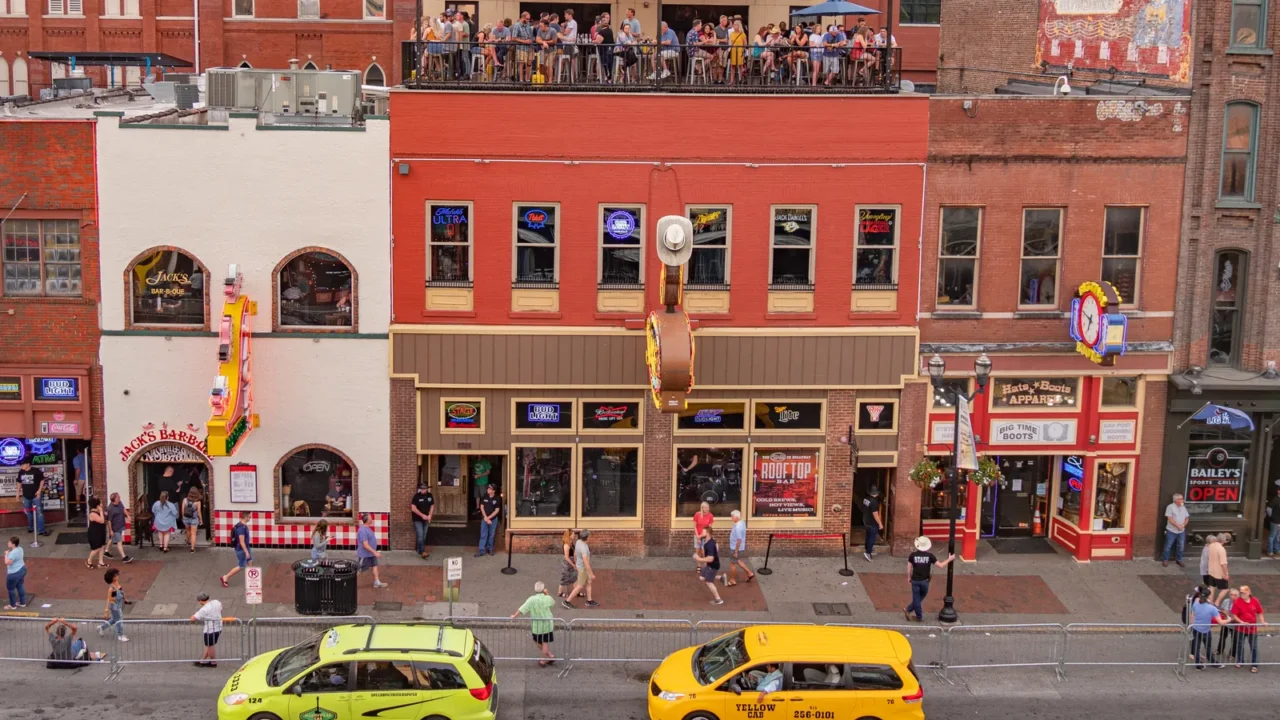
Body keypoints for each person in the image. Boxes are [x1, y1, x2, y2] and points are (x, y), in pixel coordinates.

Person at [903, 536, 955, 622]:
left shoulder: (913, 555)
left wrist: (909, 577)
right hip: (925, 581)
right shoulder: (930, 556)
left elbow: (909, 567)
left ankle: (908, 610)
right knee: (920, 597)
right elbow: (941, 565)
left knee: (917, 598)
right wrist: (949, 559)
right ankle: (918, 617)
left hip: (915, 580)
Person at [511, 580, 557, 666]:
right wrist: (547, 594)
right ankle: (549, 656)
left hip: (537, 626)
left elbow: (522, 608)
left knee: (537, 641)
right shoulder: (547, 598)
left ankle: (545, 659)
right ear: (543, 589)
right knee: (545, 642)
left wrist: (514, 615)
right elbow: (552, 603)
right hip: (547, 624)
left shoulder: (531, 599)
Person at [1189, 588, 1229, 670]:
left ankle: (1198, 664)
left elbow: (1193, 615)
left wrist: (1191, 625)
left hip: (1196, 629)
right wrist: (1229, 619)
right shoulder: (1212, 608)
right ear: (1208, 597)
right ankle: (1212, 661)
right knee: (1208, 647)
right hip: (1206, 630)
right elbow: (1221, 622)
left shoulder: (1195, 604)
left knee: (1196, 647)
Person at [1230, 585, 1267, 671]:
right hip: (1240, 629)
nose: (1242, 594)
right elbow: (1234, 615)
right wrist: (1241, 622)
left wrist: (1262, 621)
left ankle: (1255, 664)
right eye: (1241, 592)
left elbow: (1260, 612)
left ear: (1249, 592)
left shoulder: (1255, 601)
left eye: (1244, 593)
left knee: (1253, 647)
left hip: (1252, 629)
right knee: (1240, 645)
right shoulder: (1237, 602)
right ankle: (1240, 660)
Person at [563, 529, 597, 608]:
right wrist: (591, 574)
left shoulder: (578, 542)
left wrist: (576, 562)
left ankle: (589, 600)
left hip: (580, 566)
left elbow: (575, 553)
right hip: (583, 568)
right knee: (580, 586)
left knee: (588, 582)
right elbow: (586, 563)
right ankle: (567, 601)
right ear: (587, 537)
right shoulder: (584, 548)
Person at [191, 592, 227, 668]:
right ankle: (202, 661)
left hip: (210, 630)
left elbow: (193, 619)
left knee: (210, 646)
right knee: (209, 646)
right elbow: (221, 610)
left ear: (201, 600)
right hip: (219, 627)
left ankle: (213, 662)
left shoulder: (203, 610)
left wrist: (195, 614)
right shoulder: (217, 602)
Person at [355, 513, 389, 588]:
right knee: (359, 570)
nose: (372, 519)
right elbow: (365, 545)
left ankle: (377, 581)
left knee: (375, 565)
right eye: (370, 517)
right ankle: (349, 581)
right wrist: (375, 552)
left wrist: (374, 553)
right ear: (367, 520)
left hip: (371, 554)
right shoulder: (363, 531)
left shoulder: (367, 528)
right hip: (365, 555)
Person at [220, 511, 252, 588]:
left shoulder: (242, 525)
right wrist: (246, 552)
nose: (250, 517)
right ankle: (226, 577)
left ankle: (252, 580)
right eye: (249, 516)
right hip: (241, 549)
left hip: (245, 547)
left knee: (250, 561)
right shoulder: (241, 528)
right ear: (246, 517)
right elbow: (241, 542)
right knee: (241, 566)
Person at [18, 458, 49, 536]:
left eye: (23, 464)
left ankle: (41, 530)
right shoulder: (21, 472)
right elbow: (19, 482)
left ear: (28, 464)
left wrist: (39, 490)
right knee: (28, 513)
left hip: (36, 495)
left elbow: (42, 480)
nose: (21, 466)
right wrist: (17, 493)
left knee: (39, 513)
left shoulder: (36, 471)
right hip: (26, 496)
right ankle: (31, 528)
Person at [695, 528, 726, 605]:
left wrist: (698, 558)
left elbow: (711, 558)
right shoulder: (709, 542)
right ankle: (721, 577)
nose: (701, 532)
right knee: (702, 577)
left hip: (713, 565)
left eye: (703, 531)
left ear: (708, 533)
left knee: (708, 582)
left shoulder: (710, 545)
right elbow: (716, 548)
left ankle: (718, 599)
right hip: (709, 565)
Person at [103, 493, 133, 564]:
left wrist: (128, 515)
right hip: (115, 527)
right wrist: (111, 530)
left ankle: (106, 551)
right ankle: (124, 557)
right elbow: (109, 521)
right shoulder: (110, 508)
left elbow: (123, 509)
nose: (119, 498)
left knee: (112, 539)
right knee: (119, 541)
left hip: (121, 525)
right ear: (115, 499)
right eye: (118, 497)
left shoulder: (119, 502)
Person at [100, 568, 127, 642]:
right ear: (112, 578)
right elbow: (109, 599)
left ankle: (101, 628)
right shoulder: (111, 588)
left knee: (115, 619)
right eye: (116, 575)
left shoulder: (117, 583)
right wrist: (106, 610)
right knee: (119, 620)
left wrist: (124, 598)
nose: (118, 576)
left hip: (119, 604)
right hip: (114, 606)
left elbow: (121, 591)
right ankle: (120, 635)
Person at [1162, 493, 1189, 567]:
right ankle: (1165, 560)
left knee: (1181, 546)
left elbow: (1187, 518)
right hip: (1171, 530)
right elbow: (1170, 518)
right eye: (1180, 499)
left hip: (1181, 530)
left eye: (1182, 498)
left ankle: (1179, 559)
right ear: (1176, 500)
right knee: (1168, 545)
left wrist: (1183, 525)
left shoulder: (1183, 507)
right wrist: (1177, 526)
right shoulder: (1170, 507)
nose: (1182, 500)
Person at [727, 510, 754, 585]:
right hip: (736, 547)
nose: (731, 517)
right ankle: (749, 573)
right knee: (737, 560)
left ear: (737, 517)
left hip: (735, 548)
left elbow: (739, 540)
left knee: (732, 564)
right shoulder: (742, 522)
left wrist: (736, 551)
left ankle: (732, 580)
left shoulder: (738, 527)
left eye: (732, 516)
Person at [410, 483, 435, 559]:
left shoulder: (430, 495)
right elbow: (413, 508)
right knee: (420, 535)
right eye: (422, 489)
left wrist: (430, 515)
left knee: (423, 536)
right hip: (417, 519)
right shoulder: (416, 496)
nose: (423, 490)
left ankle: (419, 549)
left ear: (427, 489)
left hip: (426, 519)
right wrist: (422, 515)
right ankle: (423, 552)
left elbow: (432, 506)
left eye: (425, 489)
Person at [476, 484, 501, 558]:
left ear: (493, 491)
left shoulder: (497, 498)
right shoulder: (485, 496)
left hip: (493, 519)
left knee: (491, 535)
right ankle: (481, 550)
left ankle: (490, 549)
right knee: (483, 535)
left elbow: (497, 510)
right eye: (488, 488)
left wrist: (489, 518)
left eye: (489, 489)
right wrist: (485, 518)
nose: (487, 490)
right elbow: (482, 507)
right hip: (484, 519)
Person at [861, 484, 883, 561]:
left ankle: (867, 548)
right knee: (872, 538)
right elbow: (875, 514)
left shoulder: (866, 499)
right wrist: (880, 524)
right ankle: (868, 552)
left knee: (868, 535)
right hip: (872, 522)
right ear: (876, 493)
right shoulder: (874, 502)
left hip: (866, 520)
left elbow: (863, 508)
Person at [1207, 532, 1230, 604]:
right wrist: (1226, 574)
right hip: (1219, 574)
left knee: (1212, 588)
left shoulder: (1211, 546)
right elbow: (1223, 564)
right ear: (1223, 541)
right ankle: (1217, 602)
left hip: (1211, 571)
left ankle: (1210, 602)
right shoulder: (1221, 549)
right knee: (1225, 589)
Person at [5, 536, 26, 610]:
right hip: (22, 569)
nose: (8, 543)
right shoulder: (20, 549)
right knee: (20, 585)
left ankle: (12, 605)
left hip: (14, 573)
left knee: (11, 589)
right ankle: (22, 603)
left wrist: (6, 554)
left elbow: (8, 562)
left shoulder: (13, 553)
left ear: (13, 544)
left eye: (9, 542)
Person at [86, 498, 108, 569]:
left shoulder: (98, 511)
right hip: (94, 533)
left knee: (102, 546)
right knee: (96, 548)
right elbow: (101, 521)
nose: (102, 504)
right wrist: (101, 512)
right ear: (97, 505)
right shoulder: (93, 514)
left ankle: (100, 562)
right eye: (100, 503)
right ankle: (89, 560)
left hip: (101, 531)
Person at [693, 501, 714, 572]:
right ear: (702, 508)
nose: (707, 509)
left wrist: (702, 536)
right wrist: (698, 536)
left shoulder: (710, 515)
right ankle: (699, 565)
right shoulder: (697, 514)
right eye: (706, 507)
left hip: (705, 536)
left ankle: (706, 565)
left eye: (708, 507)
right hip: (697, 535)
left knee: (704, 551)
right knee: (698, 551)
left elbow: (709, 529)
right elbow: (695, 527)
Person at [557, 528, 578, 598]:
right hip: (567, 563)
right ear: (569, 535)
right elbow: (566, 557)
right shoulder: (566, 545)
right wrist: (573, 564)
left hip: (571, 561)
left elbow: (573, 553)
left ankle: (576, 591)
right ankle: (559, 592)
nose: (574, 535)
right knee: (564, 577)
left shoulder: (571, 542)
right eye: (573, 534)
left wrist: (575, 560)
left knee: (574, 576)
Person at [182, 488, 202, 553]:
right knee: (193, 534)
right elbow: (199, 512)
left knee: (188, 530)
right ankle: (192, 549)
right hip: (194, 519)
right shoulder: (198, 502)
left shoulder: (185, 500)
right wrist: (201, 519)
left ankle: (188, 541)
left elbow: (182, 510)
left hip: (186, 518)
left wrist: (183, 518)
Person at [71, 447, 88, 517]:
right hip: (87, 478)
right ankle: (87, 508)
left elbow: (78, 469)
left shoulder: (76, 458)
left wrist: (76, 479)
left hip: (80, 478)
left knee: (78, 493)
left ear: (77, 450)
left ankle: (78, 507)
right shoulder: (87, 457)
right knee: (86, 494)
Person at [1267, 484, 1280, 558]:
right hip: (1275, 521)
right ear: (1278, 491)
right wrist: (1272, 516)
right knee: (1272, 536)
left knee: (1278, 536)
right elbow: (1269, 509)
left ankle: (1276, 549)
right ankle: (1270, 551)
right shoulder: (1275, 499)